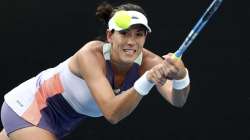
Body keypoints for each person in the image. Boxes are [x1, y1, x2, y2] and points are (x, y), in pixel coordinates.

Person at [0, 2, 190, 140]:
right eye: (124, 33)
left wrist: (182, 77)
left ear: (145, 37)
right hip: (28, 108)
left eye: (138, 34)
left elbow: (177, 99)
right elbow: (112, 113)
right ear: (110, 35)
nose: (131, 41)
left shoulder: (150, 62)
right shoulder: (90, 55)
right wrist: (147, 80)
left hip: (63, 123)